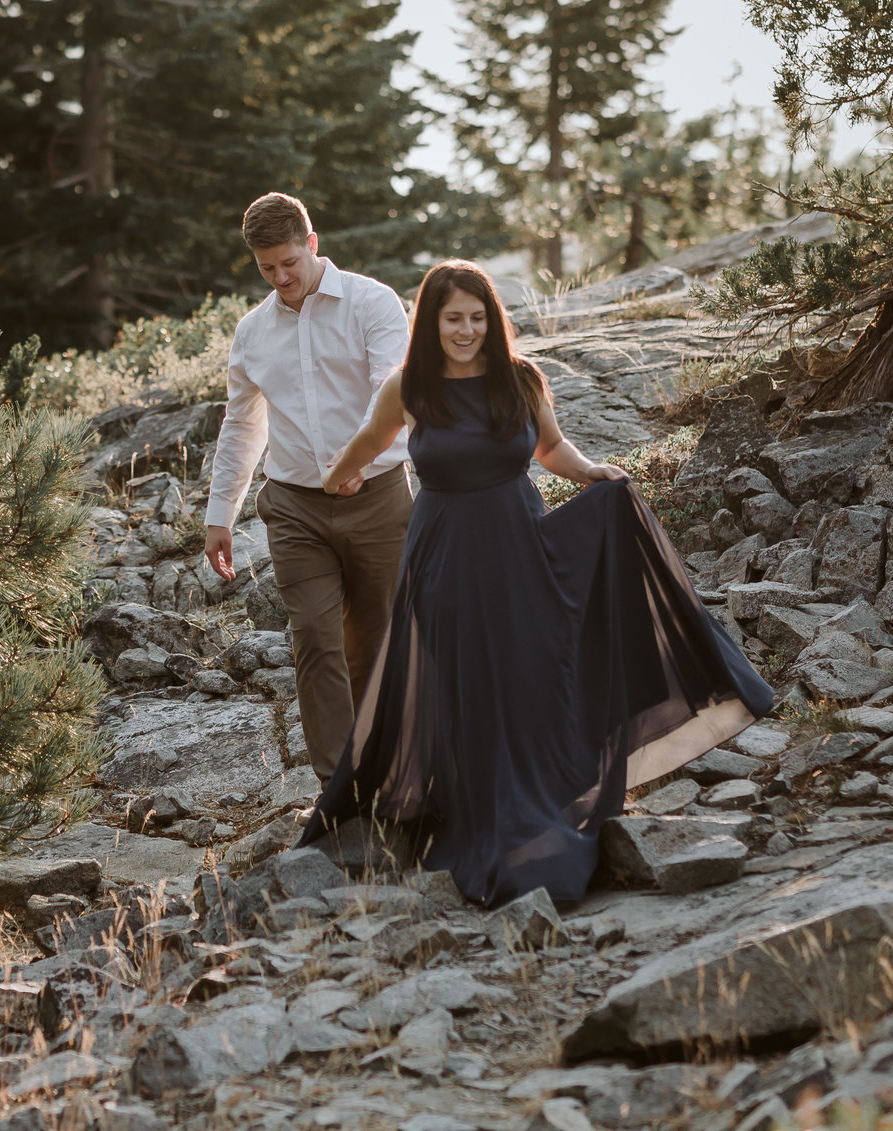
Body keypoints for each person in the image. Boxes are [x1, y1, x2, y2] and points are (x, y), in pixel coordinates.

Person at [303, 259, 774, 909]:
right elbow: (363, 447)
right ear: (430, 322)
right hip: (443, 556)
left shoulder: (519, 380)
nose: (465, 329)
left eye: (477, 317)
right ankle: (468, 806)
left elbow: (550, 449)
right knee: (465, 678)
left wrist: (592, 473)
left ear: (492, 320)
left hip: (519, 547)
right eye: (452, 318)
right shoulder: (408, 385)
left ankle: (540, 795)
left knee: (526, 671)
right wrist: (340, 477)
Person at [203, 193, 413, 781]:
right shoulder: (252, 332)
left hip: (377, 498)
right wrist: (221, 514)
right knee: (316, 640)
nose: (281, 277)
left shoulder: (374, 303)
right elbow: (242, 423)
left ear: (312, 242)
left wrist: (353, 462)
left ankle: (392, 772)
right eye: (266, 268)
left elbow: (388, 395)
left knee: (379, 641)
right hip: (293, 507)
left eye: (289, 261)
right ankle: (337, 787)